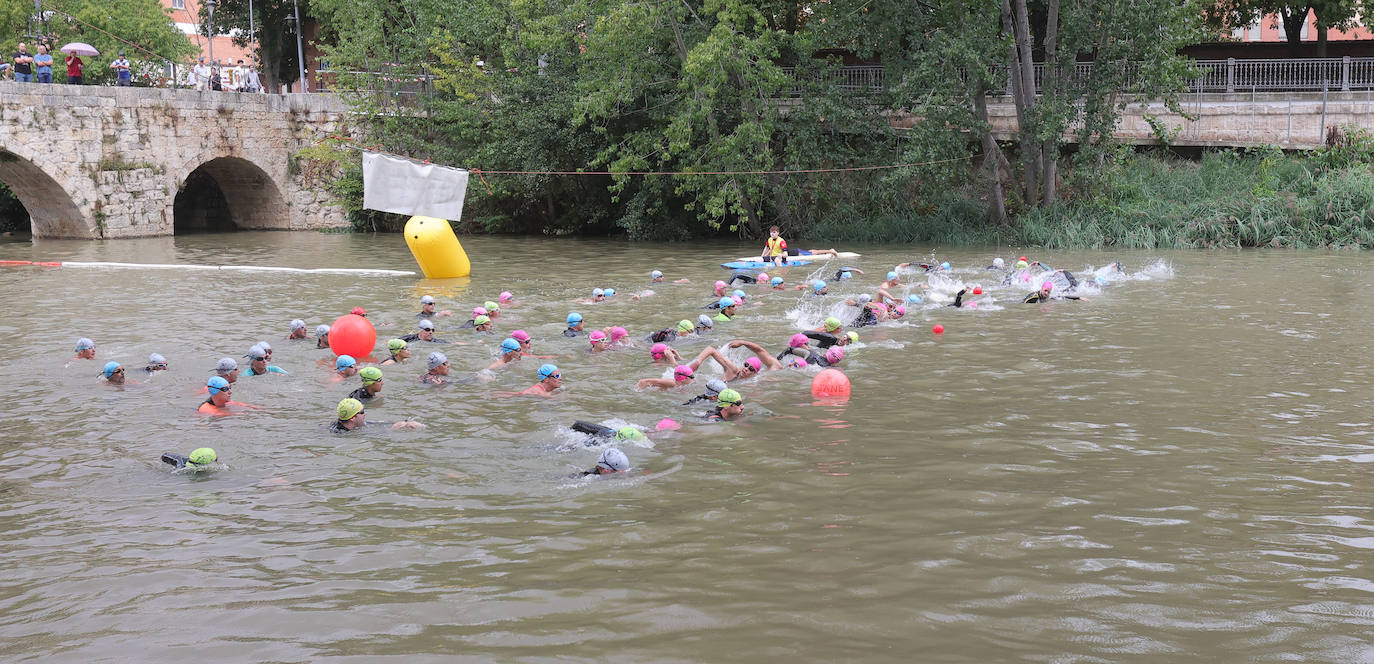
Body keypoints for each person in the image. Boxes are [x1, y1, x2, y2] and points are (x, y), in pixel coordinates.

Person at [331, 398, 423, 432]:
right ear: (352, 418)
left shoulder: (348, 425)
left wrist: (404, 423)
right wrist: (392, 430)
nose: (365, 414)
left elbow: (377, 425)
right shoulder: (341, 434)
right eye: (362, 412)